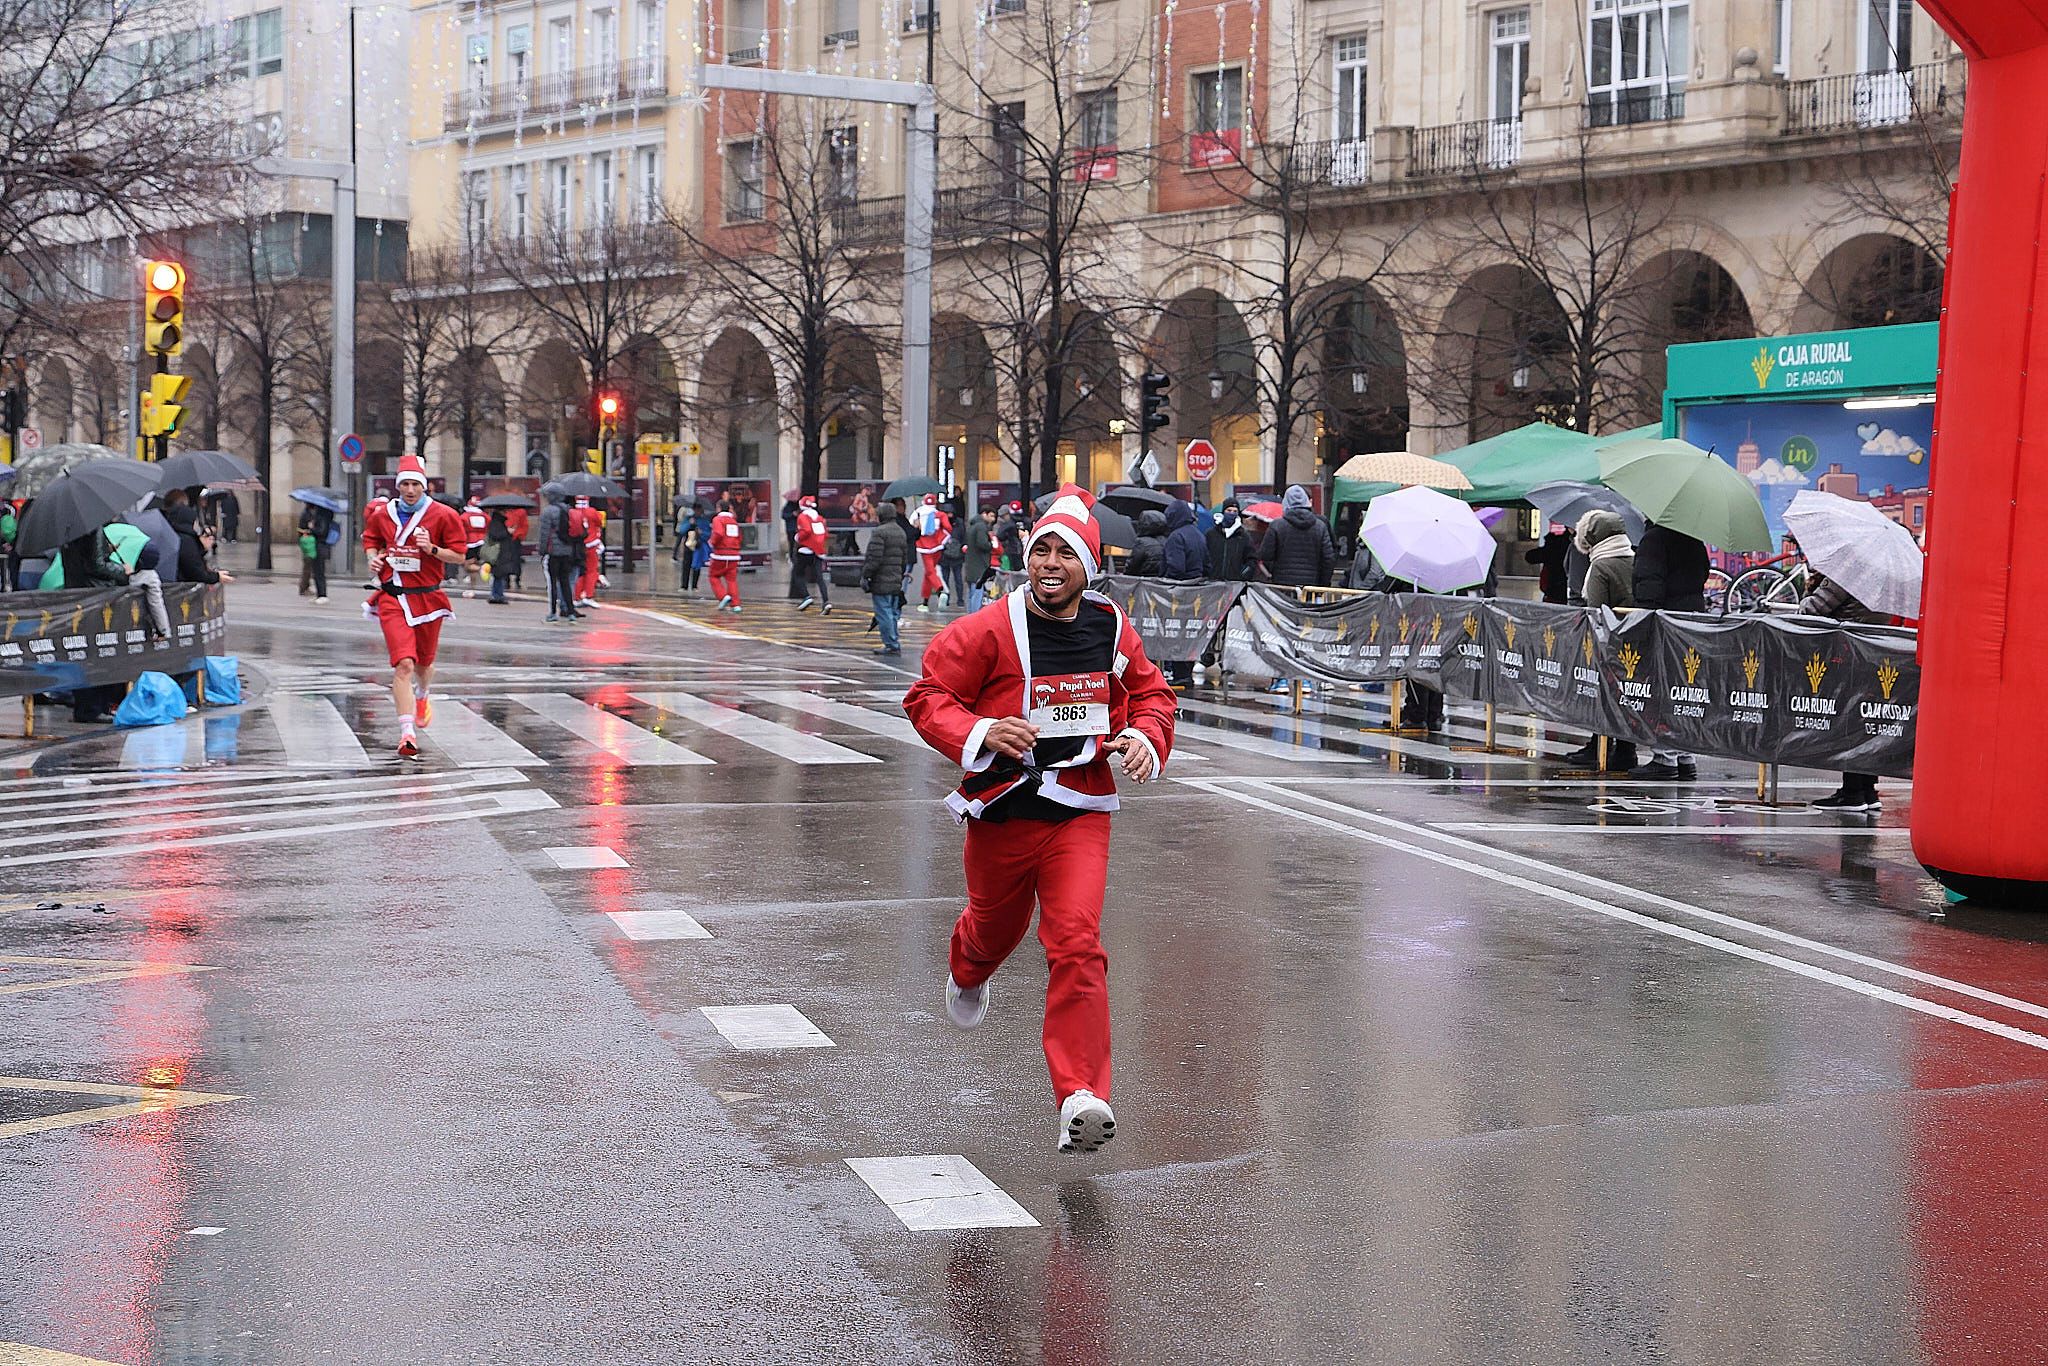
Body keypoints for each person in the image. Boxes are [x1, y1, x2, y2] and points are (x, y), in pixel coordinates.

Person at [902, 483, 1178, 1155]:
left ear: (1090, 566)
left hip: (1079, 807)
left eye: (1066, 554)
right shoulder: (990, 628)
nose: (1050, 564)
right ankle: (968, 970)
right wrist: (981, 730)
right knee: (994, 928)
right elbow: (928, 694)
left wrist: (1142, 735)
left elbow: (1149, 692)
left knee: (1076, 941)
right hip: (1003, 808)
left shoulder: (1109, 625)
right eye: (1041, 551)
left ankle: (1081, 1093)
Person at [363, 456, 469, 759]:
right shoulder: (383, 514)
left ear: (425, 486)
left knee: (423, 664)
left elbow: (459, 556)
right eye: (405, 484)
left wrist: (431, 549)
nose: (410, 490)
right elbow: (371, 539)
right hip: (393, 596)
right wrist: (373, 558)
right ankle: (407, 733)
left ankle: (423, 696)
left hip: (428, 597)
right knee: (404, 664)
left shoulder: (444, 515)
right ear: (398, 486)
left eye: (415, 484)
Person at [1795, 572, 1887, 811]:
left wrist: (1811, 588)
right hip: (1874, 655)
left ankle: (1853, 792)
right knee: (1867, 724)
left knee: (1850, 724)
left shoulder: (1848, 574)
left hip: (1847, 656)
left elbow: (1812, 610)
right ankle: (1867, 789)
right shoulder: (1883, 574)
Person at [1630, 520, 1710, 781]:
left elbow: (1648, 584)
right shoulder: (1694, 537)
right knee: (1684, 689)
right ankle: (1686, 756)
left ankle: (1665, 757)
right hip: (1693, 621)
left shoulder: (1654, 539)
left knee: (1662, 688)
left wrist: (1644, 621)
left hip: (1665, 621)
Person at [1559, 510, 1638, 772]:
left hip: (1606, 642)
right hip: (1632, 642)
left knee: (1602, 695)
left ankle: (1600, 747)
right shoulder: (1632, 559)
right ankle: (1626, 750)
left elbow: (1595, 608)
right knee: (1626, 697)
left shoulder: (1601, 565)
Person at [1256, 484, 1337, 588]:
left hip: (1283, 586)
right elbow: (1328, 558)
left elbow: (1265, 555)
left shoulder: (1277, 525)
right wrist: (1322, 583)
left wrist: (1275, 573)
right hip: (1311, 585)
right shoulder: (1320, 526)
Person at [860, 499, 910, 656]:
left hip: (881, 581)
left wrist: (865, 575)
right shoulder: (901, 532)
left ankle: (891, 644)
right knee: (893, 613)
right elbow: (904, 559)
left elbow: (874, 558)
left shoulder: (879, 533)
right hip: (895, 580)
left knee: (884, 613)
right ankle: (894, 641)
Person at [537, 488, 584, 623]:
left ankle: (552, 612)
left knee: (552, 583)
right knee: (565, 582)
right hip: (567, 551)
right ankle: (570, 612)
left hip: (553, 553)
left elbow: (544, 534)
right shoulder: (569, 510)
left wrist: (542, 550)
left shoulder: (548, 512)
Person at [794, 493, 833, 614]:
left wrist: (798, 538)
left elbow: (805, 531)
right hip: (819, 551)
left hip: (805, 549)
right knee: (819, 578)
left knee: (797, 574)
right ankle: (826, 602)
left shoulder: (803, 517)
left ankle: (806, 597)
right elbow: (826, 534)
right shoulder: (819, 518)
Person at [914, 493, 951, 612]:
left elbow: (912, 526)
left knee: (930, 572)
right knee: (928, 573)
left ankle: (940, 591)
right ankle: (925, 601)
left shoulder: (918, 512)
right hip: (937, 545)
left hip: (923, 546)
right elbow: (948, 527)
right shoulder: (940, 514)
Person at [1204, 499, 1253, 584]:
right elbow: (1204, 555)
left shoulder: (1243, 536)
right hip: (1212, 582)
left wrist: (1243, 575)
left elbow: (1251, 559)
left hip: (1235, 585)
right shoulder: (1211, 534)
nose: (1231, 513)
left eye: (1235, 511)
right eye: (1229, 510)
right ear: (1223, 511)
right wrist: (1207, 573)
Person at [708, 497, 743, 611]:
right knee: (731, 580)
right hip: (734, 553)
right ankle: (736, 604)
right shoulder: (733, 521)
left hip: (721, 553)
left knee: (713, 576)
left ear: (718, 508)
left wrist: (712, 542)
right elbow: (739, 537)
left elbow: (718, 533)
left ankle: (723, 596)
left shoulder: (718, 519)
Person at [296, 499, 334, 602]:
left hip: (320, 546)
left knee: (319, 571)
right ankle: (319, 594)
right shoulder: (319, 514)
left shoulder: (322, 515)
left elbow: (321, 531)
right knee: (316, 571)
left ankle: (322, 595)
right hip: (315, 545)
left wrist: (311, 528)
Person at [1524, 525, 1571, 604]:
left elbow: (1530, 557)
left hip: (1554, 589)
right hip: (1563, 589)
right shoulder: (1569, 544)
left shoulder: (1554, 545)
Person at [964, 506, 998, 612]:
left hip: (971, 564)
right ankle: (974, 617)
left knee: (972, 593)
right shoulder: (981, 527)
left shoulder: (972, 526)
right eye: (991, 516)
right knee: (977, 594)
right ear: (984, 514)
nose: (993, 519)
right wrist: (991, 544)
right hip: (979, 566)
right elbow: (982, 544)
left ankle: (970, 616)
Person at [574, 497, 606, 608]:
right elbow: (599, 522)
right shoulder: (592, 512)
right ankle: (588, 595)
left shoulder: (573, 512)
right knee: (591, 571)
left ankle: (577, 597)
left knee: (579, 572)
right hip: (592, 545)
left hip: (578, 546)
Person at [485, 509, 521, 605]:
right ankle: (497, 595)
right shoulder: (495, 523)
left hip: (502, 553)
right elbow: (496, 535)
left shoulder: (499, 522)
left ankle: (497, 594)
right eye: (503, 511)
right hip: (498, 553)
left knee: (499, 574)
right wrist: (508, 532)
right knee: (498, 574)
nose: (505, 513)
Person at [1125, 509, 1167, 577]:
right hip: (1162, 580)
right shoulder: (1166, 541)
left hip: (1144, 580)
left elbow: (1133, 565)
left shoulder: (1141, 542)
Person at [502, 504, 530, 590]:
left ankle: (516, 579)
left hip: (515, 539)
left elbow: (524, 526)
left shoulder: (520, 512)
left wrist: (516, 534)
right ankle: (507, 579)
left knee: (515, 559)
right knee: (506, 559)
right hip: (506, 538)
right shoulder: (504, 512)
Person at [997, 501, 1026, 571]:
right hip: (1025, 550)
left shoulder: (1008, 524)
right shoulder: (1027, 522)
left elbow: (1000, 535)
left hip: (1013, 551)